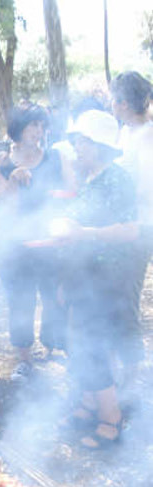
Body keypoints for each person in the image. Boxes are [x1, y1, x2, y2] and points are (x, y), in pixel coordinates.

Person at [55, 110, 138, 448]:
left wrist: (84, 231)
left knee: (93, 346)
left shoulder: (116, 179)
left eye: (82, 141)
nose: (76, 146)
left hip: (105, 277)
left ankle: (111, 419)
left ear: (100, 146)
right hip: (82, 275)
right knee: (78, 343)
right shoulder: (90, 179)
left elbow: (132, 231)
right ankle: (89, 405)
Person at [0, 104, 74, 380]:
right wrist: (14, 180)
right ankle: (24, 358)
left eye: (42, 126)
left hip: (52, 242)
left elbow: (73, 193)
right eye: (32, 125)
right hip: (17, 246)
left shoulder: (55, 157)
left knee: (55, 297)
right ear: (19, 127)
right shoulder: (2, 162)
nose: (38, 132)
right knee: (21, 300)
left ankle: (55, 347)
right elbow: (3, 205)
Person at [110, 71, 153, 382]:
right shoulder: (123, 133)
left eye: (113, 98)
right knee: (115, 297)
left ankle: (131, 373)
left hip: (137, 230)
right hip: (117, 229)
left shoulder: (146, 138)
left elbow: (144, 188)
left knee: (126, 300)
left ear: (123, 103)